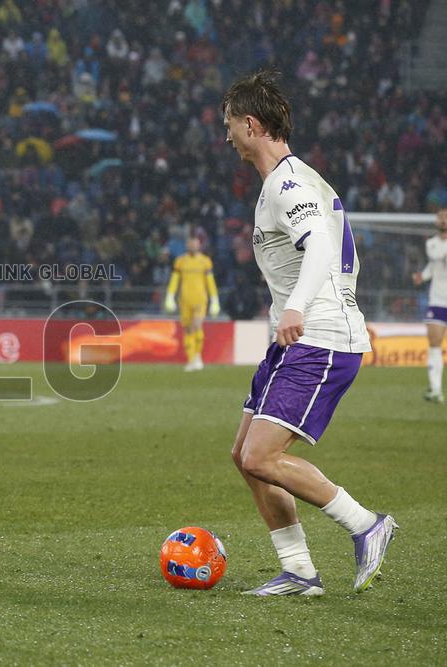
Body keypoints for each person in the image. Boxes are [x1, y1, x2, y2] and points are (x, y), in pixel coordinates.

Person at [222, 71, 395, 596]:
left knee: (260, 456)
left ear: (251, 125)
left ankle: (366, 524)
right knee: (244, 455)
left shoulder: (287, 183)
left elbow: (318, 247)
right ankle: (298, 570)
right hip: (295, 337)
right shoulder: (289, 181)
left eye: (229, 124)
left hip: (320, 335)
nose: (226, 135)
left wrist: (295, 307)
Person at [163, 236, 220, 371]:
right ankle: (191, 360)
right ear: (187, 245)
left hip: (200, 300)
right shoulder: (180, 261)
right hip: (184, 300)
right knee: (188, 329)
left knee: (197, 325)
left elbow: (210, 282)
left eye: (195, 244)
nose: (193, 246)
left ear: (199, 246)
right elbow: (175, 280)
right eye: (190, 244)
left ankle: (197, 357)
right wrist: (170, 296)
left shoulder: (205, 261)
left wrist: (214, 299)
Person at [411, 207, 447, 403]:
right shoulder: (431, 244)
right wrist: (422, 277)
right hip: (438, 300)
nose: (443, 220)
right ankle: (435, 390)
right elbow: (433, 268)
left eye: (446, 218)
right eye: (440, 217)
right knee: (434, 344)